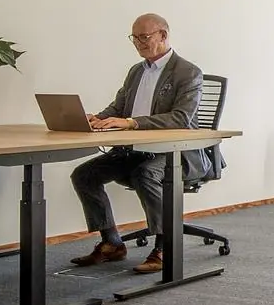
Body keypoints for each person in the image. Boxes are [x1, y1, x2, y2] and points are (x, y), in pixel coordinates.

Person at [69, 14, 207, 275]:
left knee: (145, 174)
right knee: (84, 174)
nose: (138, 43)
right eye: (135, 38)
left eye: (144, 37)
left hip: (177, 153)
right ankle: (111, 243)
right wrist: (98, 119)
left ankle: (165, 248)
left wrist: (131, 123)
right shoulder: (136, 71)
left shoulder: (188, 72)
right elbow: (119, 107)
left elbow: (180, 118)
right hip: (136, 151)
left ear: (163, 35)